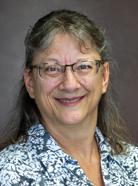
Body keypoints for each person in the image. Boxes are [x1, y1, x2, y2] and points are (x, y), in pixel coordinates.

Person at [0, 9, 137, 186]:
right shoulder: (7, 175)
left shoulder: (133, 163)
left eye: (83, 66)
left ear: (104, 77)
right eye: (52, 68)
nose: (70, 84)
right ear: (30, 83)